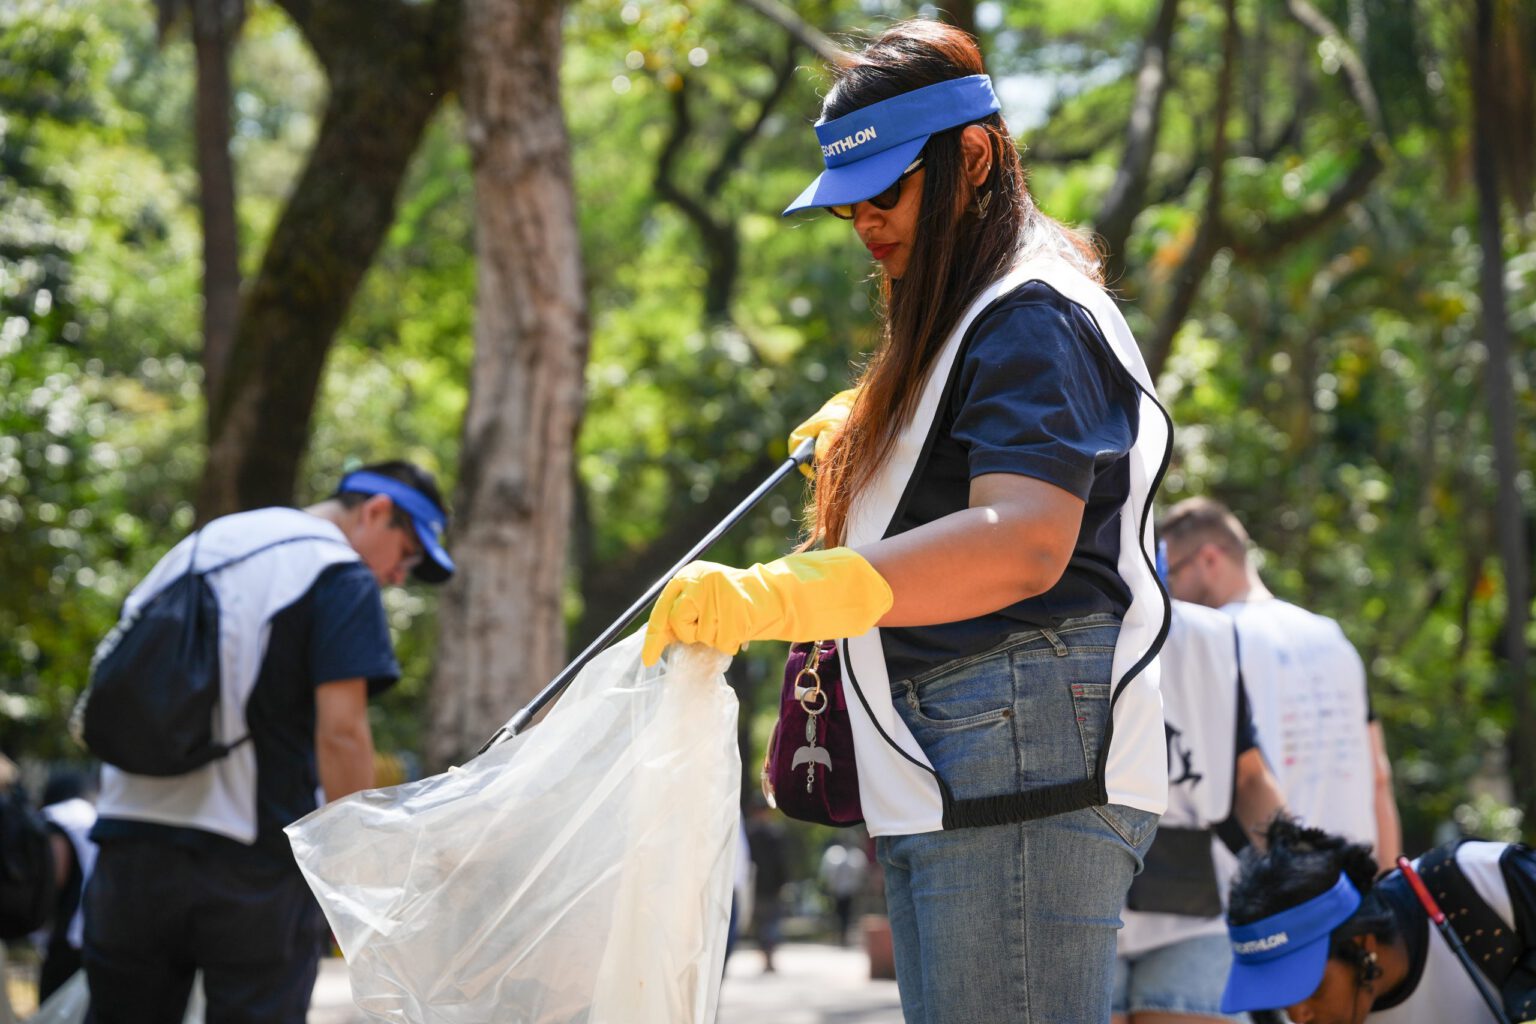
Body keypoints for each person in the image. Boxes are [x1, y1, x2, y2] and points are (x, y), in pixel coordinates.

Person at [643, 19, 1173, 1021]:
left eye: (886, 191)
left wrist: (790, 595)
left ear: (973, 157)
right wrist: (882, 434)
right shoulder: (984, 313)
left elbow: (1023, 540)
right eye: (847, 205)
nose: (865, 223)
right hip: (968, 753)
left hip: (1017, 743)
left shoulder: (1029, 311)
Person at [82, 460, 453, 1024]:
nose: (399, 575)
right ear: (376, 512)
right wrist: (349, 878)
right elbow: (342, 732)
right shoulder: (336, 572)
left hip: (127, 846)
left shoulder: (202, 546)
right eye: (407, 555)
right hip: (246, 870)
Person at [1160, 497, 1402, 871]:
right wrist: (1388, 885)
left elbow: (1240, 779)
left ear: (1209, 559)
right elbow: (1379, 776)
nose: (1169, 590)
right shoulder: (1334, 638)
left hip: (1271, 895)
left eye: (1171, 573)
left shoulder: (1213, 643)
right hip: (1355, 883)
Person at [1114, 599, 1288, 1024]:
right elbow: (1249, 777)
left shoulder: (1205, 635)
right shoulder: (1207, 634)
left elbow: (1248, 776)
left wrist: (1299, 876)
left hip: (1185, 901)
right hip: (1095, 896)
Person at [1221, 817, 1536, 1023]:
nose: (1296, 1015)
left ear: (1363, 945)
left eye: (1308, 989)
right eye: (1277, 995)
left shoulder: (1480, 882)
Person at [37, 768, 99, 1001]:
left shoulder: (58, 817)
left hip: (68, 931)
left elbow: (56, 876)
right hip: (102, 927)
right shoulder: (94, 815)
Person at [745, 797, 791, 973]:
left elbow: (782, 862)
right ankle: (767, 956)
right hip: (758, 887)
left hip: (768, 887)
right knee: (765, 925)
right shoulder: (765, 833)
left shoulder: (771, 833)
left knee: (768, 925)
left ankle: (768, 956)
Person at [819, 836, 869, 946]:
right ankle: (841, 935)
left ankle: (841, 935)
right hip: (842, 891)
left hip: (843, 891)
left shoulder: (841, 855)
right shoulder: (845, 855)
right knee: (843, 914)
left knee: (842, 914)